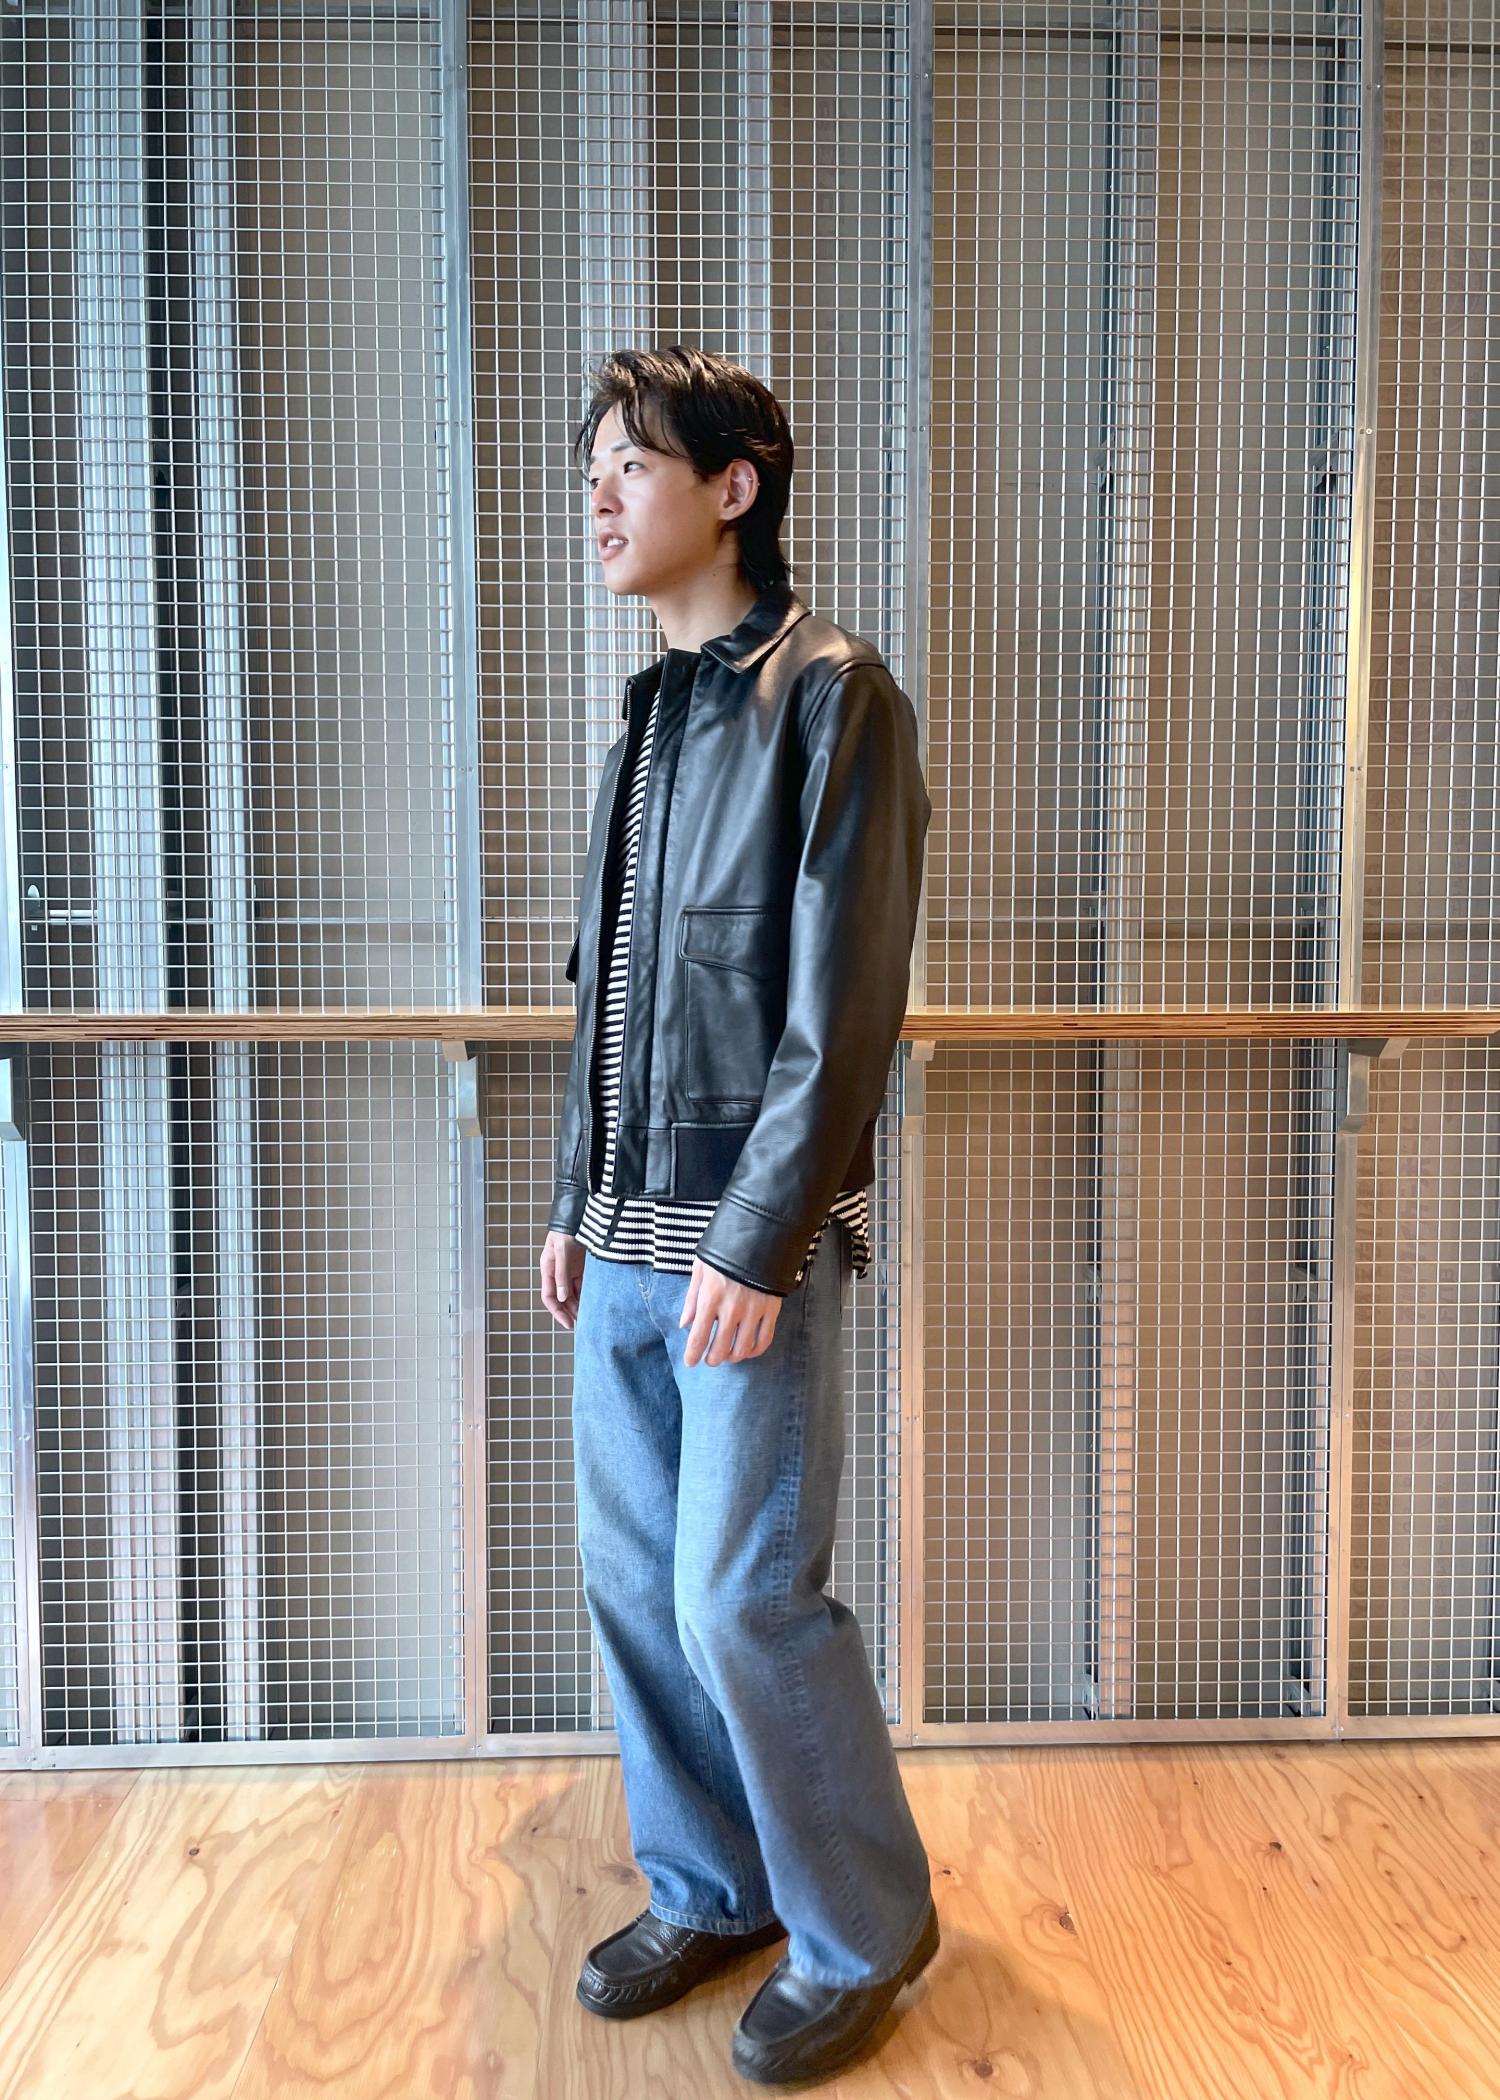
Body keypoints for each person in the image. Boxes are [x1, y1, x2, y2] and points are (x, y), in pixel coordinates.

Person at [538, 346, 937, 2086]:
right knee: (638, 1588)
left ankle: (865, 1928)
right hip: (625, 1239)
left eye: (631, 463)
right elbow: (612, 989)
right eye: (594, 468)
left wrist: (760, 1237)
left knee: (741, 1601)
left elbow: (842, 1011)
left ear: (734, 485)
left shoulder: (836, 695)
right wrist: (574, 1198)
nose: (600, 494)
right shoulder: (647, 716)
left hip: (740, 1252)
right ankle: (713, 1890)